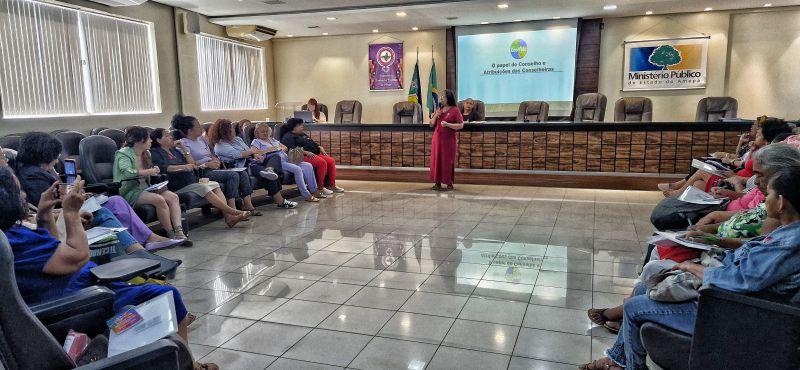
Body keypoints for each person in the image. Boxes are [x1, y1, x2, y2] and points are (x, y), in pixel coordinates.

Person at [581, 165, 800, 370]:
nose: (764, 200)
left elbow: (740, 280)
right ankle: (618, 360)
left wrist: (693, 269)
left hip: (728, 309)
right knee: (642, 288)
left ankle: (631, 367)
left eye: (769, 195)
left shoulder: (788, 244)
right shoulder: (786, 233)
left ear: (781, 203)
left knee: (634, 307)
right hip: (726, 296)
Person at [0, 168, 216, 370]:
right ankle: (187, 365)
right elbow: (77, 258)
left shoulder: (12, 235)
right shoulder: (17, 239)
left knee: (157, 290)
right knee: (166, 294)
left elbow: (54, 253)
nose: (25, 197)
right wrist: (71, 213)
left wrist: (44, 214)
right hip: (85, 304)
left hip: (79, 292)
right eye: (19, 191)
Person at [15, 132, 182, 251]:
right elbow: (47, 206)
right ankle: (139, 248)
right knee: (104, 211)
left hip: (69, 207)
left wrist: (78, 194)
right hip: (60, 215)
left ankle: (146, 239)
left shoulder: (42, 171)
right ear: (46, 153)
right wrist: (72, 197)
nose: (58, 158)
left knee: (116, 201)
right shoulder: (32, 175)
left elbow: (57, 195)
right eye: (56, 154)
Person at [149, 128, 250, 228]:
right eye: (167, 136)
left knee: (215, 185)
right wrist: (183, 167)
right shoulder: (155, 152)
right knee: (205, 189)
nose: (171, 137)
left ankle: (229, 218)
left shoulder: (174, 151)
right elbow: (163, 168)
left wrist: (184, 148)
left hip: (190, 180)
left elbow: (191, 163)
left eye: (170, 135)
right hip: (177, 183)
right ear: (159, 140)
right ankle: (233, 212)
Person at [171, 113, 262, 216]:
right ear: (189, 131)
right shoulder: (183, 144)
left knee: (243, 174)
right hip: (201, 172)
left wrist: (215, 160)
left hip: (212, 168)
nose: (202, 127)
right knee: (232, 175)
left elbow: (210, 154)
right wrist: (207, 164)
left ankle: (248, 204)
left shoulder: (201, 139)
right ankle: (232, 208)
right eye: (198, 126)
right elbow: (189, 164)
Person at [113, 127, 192, 246]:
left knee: (173, 197)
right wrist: (150, 171)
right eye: (148, 138)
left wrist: (155, 171)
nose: (151, 141)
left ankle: (179, 232)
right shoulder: (123, 153)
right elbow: (127, 172)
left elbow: (149, 172)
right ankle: (171, 234)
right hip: (130, 191)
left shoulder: (146, 153)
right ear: (140, 140)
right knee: (159, 200)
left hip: (146, 188)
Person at [209, 118, 298, 209]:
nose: (233, 130)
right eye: (231, 129)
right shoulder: (219, 146)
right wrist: (254, 152)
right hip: (243, 167)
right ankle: (280, 201)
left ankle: (269, 169)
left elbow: (249, 151)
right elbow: (239, 155)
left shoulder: (238, 139)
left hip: (253, 162)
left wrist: (256, 154)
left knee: (275, 158)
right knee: (270, 175)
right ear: (224, 132)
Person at [251, 123, 324, 202]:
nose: (265, 133)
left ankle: (314, 191)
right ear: (257, 133)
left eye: (266, 131)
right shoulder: (256, 142)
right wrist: (269, 150)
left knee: (308, 165)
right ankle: (306, 195)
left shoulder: (272, 139)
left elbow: (285, 147)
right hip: (277, 162)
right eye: (262, 132)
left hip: (287, 158)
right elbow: (255, 153)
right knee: (297, 169)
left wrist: (280, 148)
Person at [281, 118, 344, 194]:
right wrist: (305, 152)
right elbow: (290, 150)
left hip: (312, 153)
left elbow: (312, 142)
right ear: (294, 127)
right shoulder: (288, 136)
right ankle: (320, 187)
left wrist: (319, 147)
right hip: (300, 156)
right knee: (322, 163)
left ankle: (331, 185)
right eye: (300, 125)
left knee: (331, 161)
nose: (302, 126)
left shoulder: (302, 134)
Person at [429, 89, 464, 191]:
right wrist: (436, 115)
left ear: (448, 98)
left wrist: (448, 124)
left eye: (443, 97)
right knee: (437, 160)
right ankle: (437, 183)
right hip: (437, 139)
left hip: (448, 141)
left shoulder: (455, 110)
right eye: (441, 97)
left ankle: (449, 183)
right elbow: (431, 124)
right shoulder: (439, 109)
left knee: (447, 161)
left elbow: (461, 125)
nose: (441, 98)